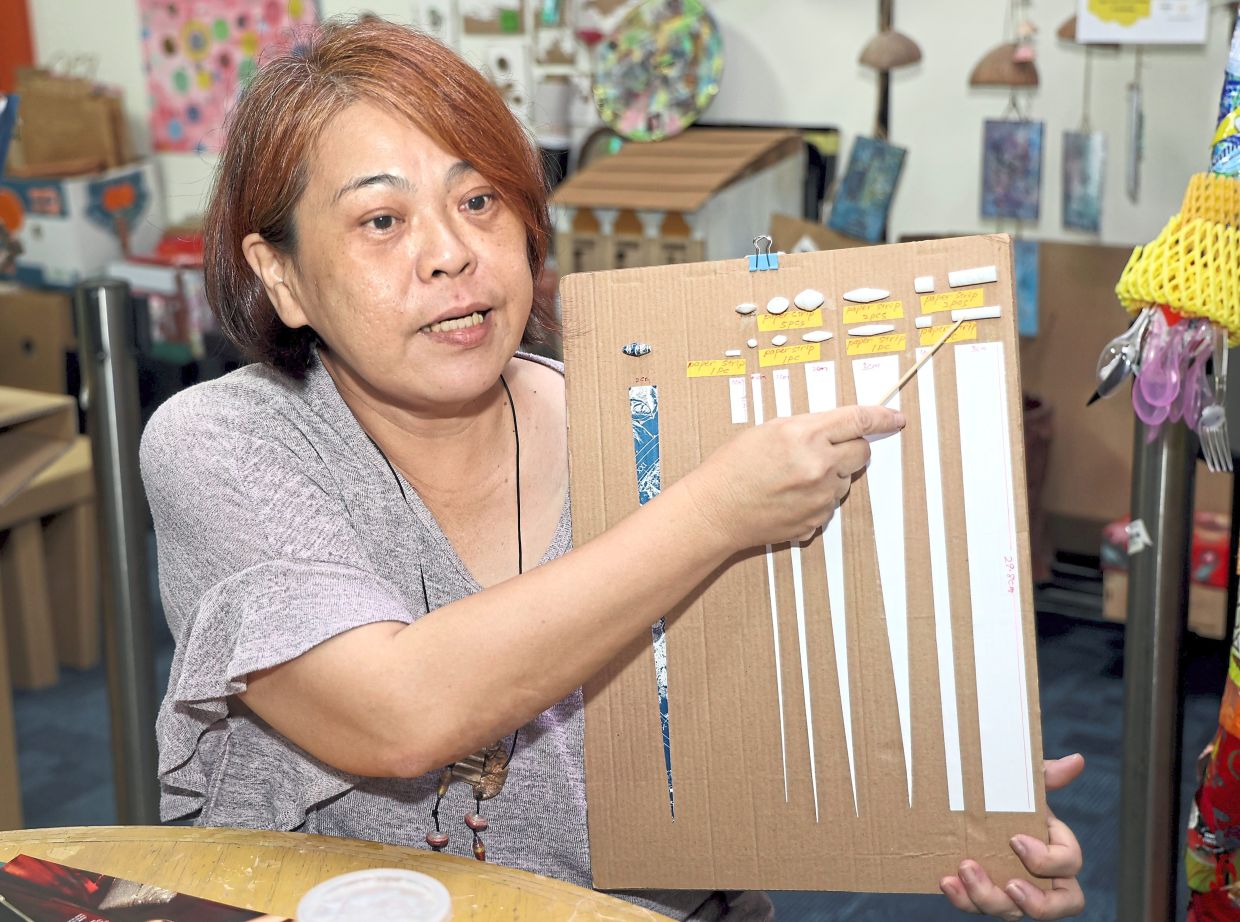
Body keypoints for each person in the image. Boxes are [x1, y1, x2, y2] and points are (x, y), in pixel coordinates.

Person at [140, 15, 1084, 921]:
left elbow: (760, 704)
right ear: (282, 276)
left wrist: (953, 796)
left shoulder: (654, 413)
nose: (452, 254)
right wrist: (715, 511)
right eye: (382, 220)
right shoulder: (223, 445)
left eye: (479, 201)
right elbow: (399, 714)